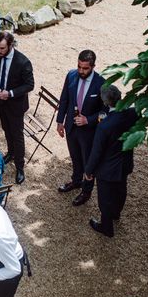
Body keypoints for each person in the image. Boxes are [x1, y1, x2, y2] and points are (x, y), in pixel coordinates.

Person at [83, 85, 138, 237]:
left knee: (105, 198)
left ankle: (106, 227)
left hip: (107, 168)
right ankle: (116, 214)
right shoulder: (133, 113)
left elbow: (97, 151)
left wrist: (88, 170)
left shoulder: (105, 126)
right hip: (125, 162)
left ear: (106, 102)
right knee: (121, 190)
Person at [56, 49, 106, 206]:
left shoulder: (102, 83)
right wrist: (59, 121)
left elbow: (105, 113)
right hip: (71, 127)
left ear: (93, 66)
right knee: (75, 157)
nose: (81, 71)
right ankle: (76, 181)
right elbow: (64, 99)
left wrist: (89, 120)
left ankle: (86, 191)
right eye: (79, 66)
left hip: (89, 133)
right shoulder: (71, 75)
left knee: (88, 163)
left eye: (85, 68)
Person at [0, 31, 34, 185]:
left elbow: (30, 85)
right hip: (1, 102)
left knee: (17, 135)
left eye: (2, 48)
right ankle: (11, 153)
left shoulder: (23, 62)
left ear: (11, 45)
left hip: (15, 105)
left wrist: (11, 93)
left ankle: (20, 167)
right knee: (6, 130)